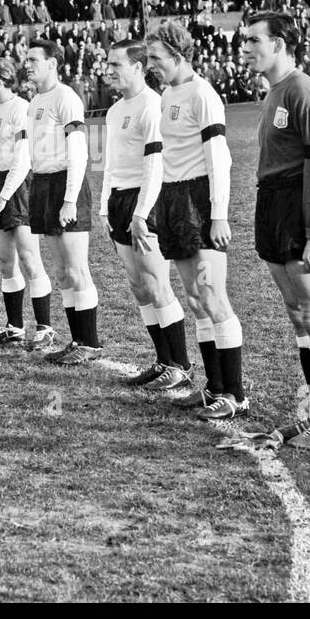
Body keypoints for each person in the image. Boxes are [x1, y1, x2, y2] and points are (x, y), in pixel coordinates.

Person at [241, 13, 310, 448]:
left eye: (253, 41)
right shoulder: (274, 92)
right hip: (271, 202)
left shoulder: (302, 90)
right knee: (298, 314)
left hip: (295, 204)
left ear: (281, 43)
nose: (245, 49)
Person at [146, 21, 246, 421]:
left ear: (178, 54)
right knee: (195, 299)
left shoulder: (203, 93)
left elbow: (219, 159)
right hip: (173, 198)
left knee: (212, 296)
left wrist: (218, 214)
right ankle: (215, 387)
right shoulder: (168, 92)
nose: (150, 65)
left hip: (199, 200)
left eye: (156, 57)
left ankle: (236, 394)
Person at [102, 40, 191, 391]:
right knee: (139, 287)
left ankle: (180, 365)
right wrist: (104, 205)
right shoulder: (113, 110)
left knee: (157, 284)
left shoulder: (153, 105)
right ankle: (163, 360)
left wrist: (141, 212)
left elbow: (155, 163)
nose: (109, 70)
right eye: (108, 64)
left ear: (138, 67)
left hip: (146, 201)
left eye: (116, 64)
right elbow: (110, 163)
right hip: (119, 201)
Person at [24, 39, 101, 364]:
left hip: (65, 184)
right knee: (61, 270)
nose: (27, 65)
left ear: (52, 63)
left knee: (76, 267)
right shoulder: (35, 101)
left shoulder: (66, 97)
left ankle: (90, 343)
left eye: (33, 60)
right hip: (42, 184)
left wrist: (69, 199)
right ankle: (76, 340)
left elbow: (79, 150)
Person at [0, 56, 54, 348]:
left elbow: (22, 157)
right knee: (5, 262)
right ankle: (14, 328)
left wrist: (3, 197)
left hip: (18, 188)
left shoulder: (22, 109)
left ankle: (44, 328)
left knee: (30, 259)